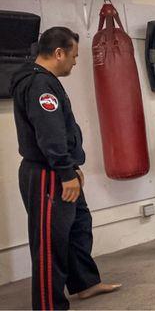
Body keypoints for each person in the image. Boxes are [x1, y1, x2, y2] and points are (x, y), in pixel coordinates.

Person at [10, 26, 120, 309]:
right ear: (59, 53)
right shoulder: (38, 85)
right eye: (73, 56)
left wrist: (72, 167)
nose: (74, 61)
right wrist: (64, 172)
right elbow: (50, 133)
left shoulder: (45, 80)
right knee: (50, 243)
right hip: (48, 175)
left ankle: (85, 283)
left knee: (79, 226)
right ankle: (49, 305)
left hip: (61, 169)